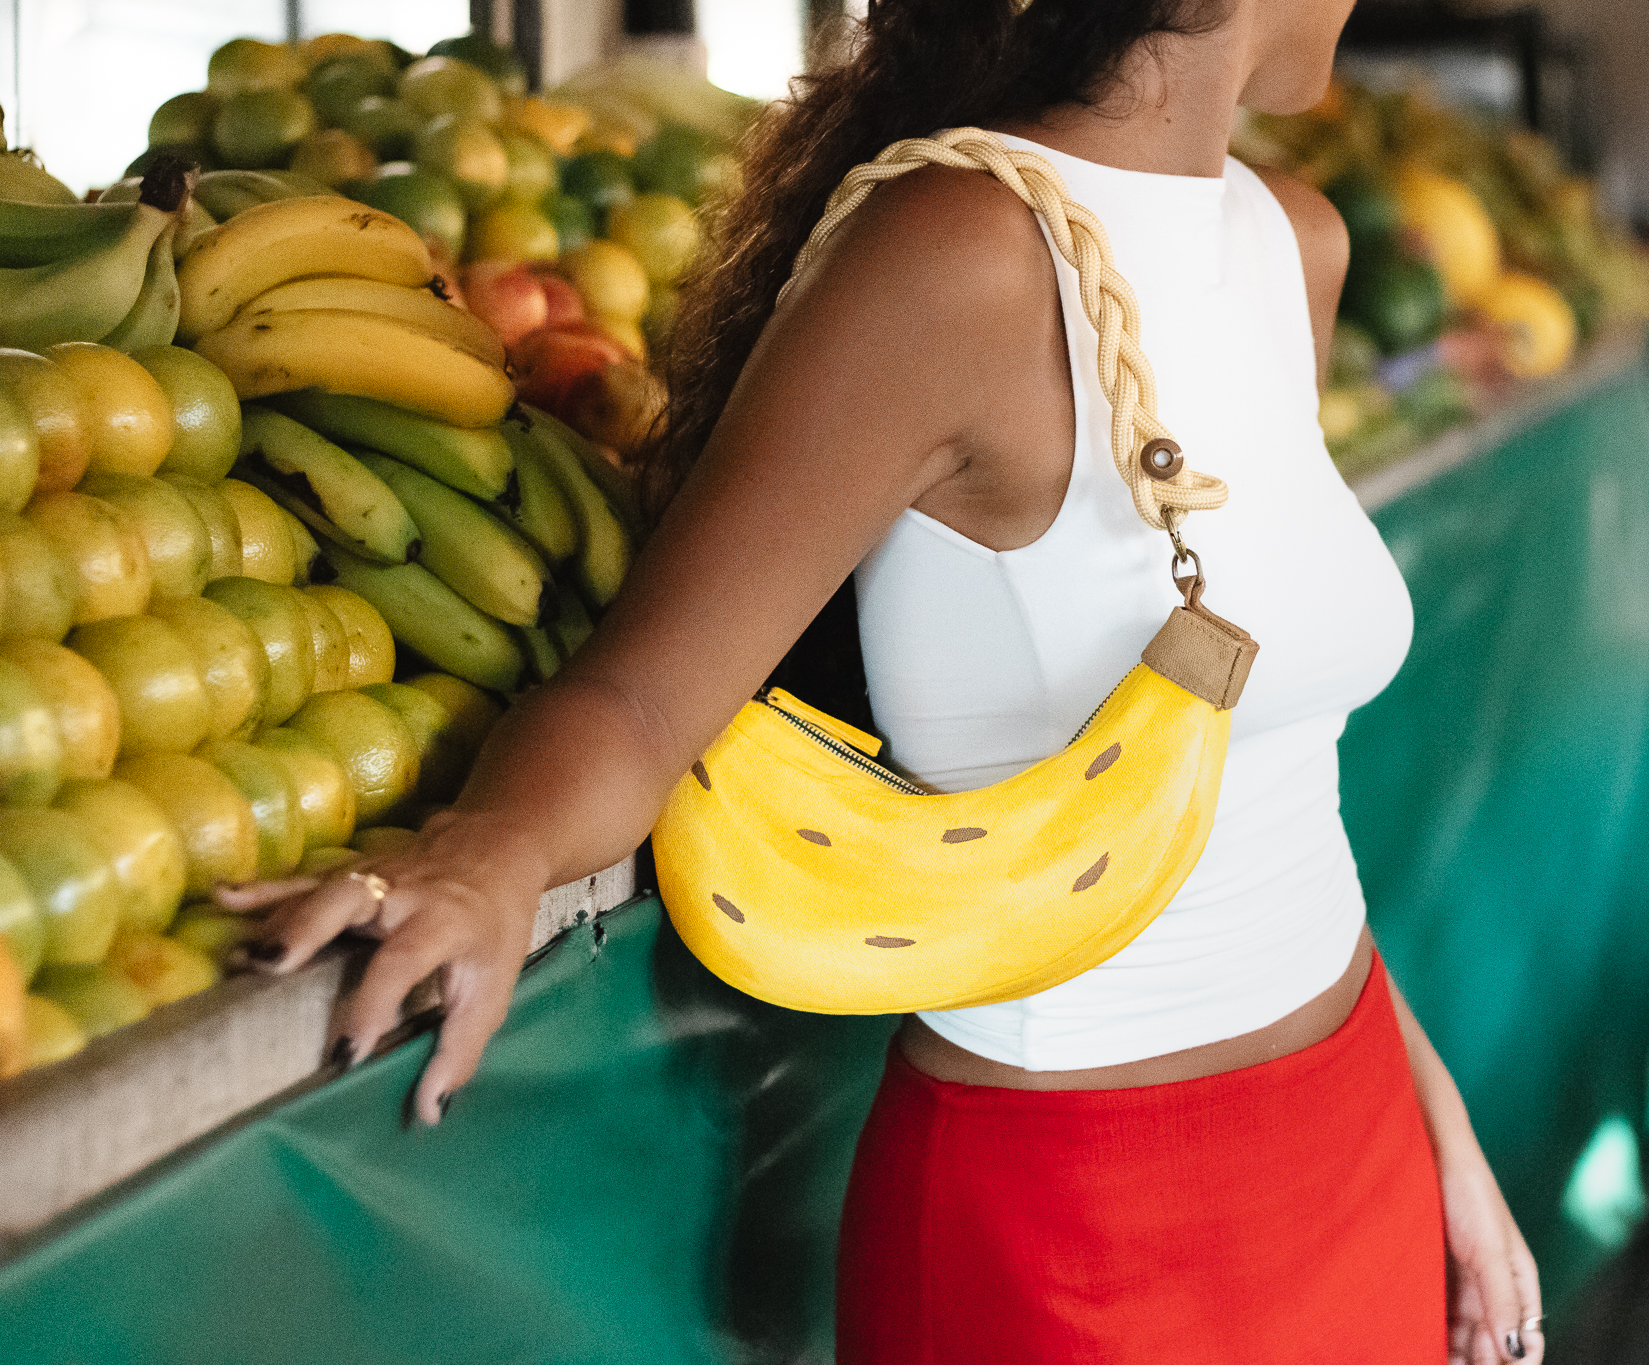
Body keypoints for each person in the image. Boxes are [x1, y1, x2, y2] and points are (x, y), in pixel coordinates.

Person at [221, 1, 1544, 1360]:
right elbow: (644, 700)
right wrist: (488, 853)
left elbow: (1268, 794)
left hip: (1352, 1135)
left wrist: (1434, 1117)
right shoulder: (959, 254)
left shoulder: (1292, 244)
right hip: (1070, 1224)